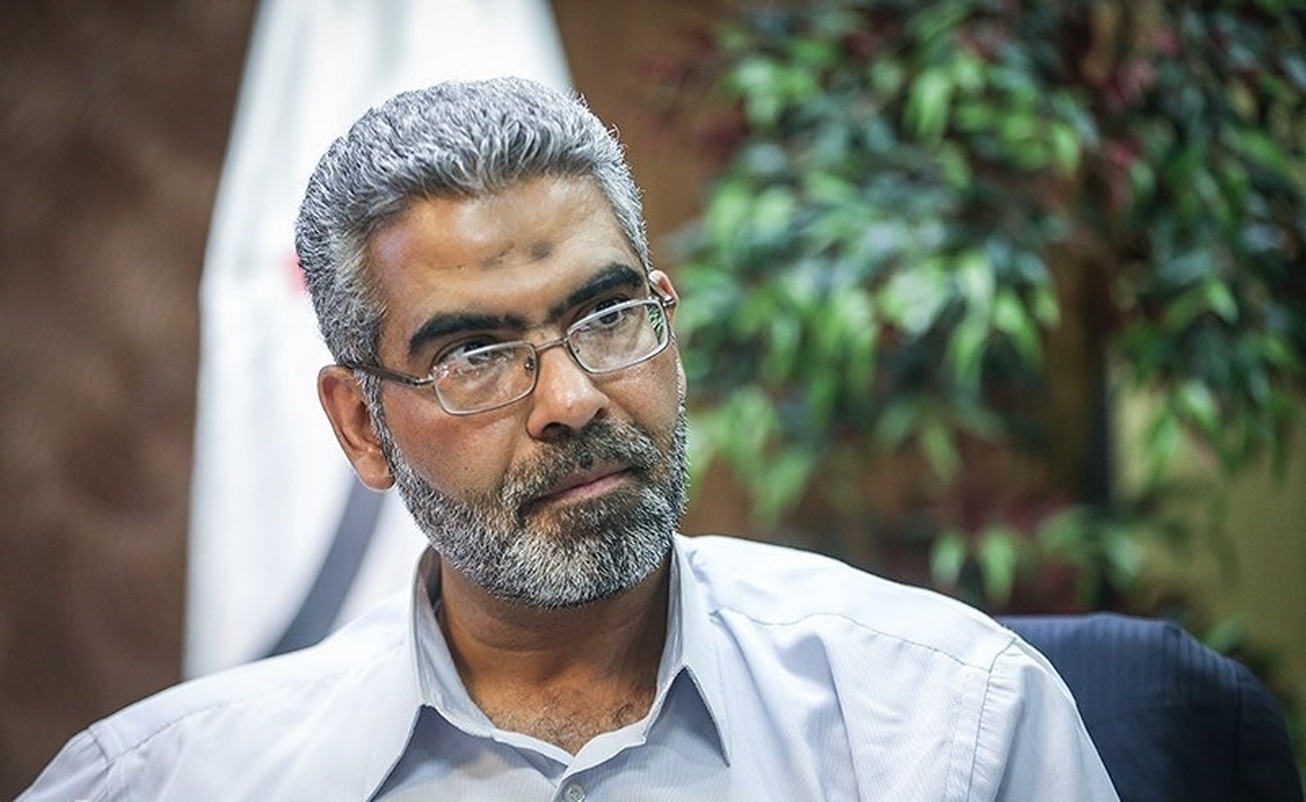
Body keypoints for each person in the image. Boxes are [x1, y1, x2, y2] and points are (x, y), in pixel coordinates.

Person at [20, 77, 1118, 800]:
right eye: (475, 356)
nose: (573, 399)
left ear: (667, 322)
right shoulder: (166, 780)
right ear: (362, 424)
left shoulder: (951, 725)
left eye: (608, 317)